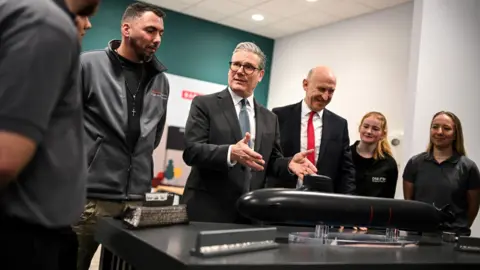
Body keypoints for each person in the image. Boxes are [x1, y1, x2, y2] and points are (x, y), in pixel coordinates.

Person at [0, 0, 100, 269]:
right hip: (23, 237)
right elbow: (5, 158)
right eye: (80, 16)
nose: (88, 24)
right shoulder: (45, 23)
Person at [73, 2, 169, 269]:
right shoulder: (87, 65)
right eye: (150, 30)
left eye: (161, 33)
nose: (157, 39)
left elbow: (154, 136)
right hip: (88, 199)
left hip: (136, 202)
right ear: (126, 28)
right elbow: (62, 128)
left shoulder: (160, 80)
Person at [181, 42, 317, 224]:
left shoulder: (270, 118)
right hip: (207, 212)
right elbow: (192, 151)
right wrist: (230, 153)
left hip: (250, 214)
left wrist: (288, 164)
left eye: (248, 67)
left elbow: (271, 161)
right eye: (236, 64)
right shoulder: (204, 105)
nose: (239, 71)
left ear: (260, 75)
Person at [271, 66, 356, 194]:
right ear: (305, 84)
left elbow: (346, 170)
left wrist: (348, 205)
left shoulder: (339, 125)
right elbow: (270, 159)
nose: (325, 97)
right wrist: (288, 164)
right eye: (321, 89)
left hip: (321, 202)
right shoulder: (278, 116)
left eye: (331, 91)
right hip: (283, 197)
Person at [403, 111, 480, 236]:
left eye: (446, 128)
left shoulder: (468, 167)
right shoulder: (415, 163)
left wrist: (456, 228)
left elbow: (472, 210)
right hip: (419, 235)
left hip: (453, 237)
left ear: (455, 134)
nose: (439, 132)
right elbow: (409, 202)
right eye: (435, 127)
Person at [351, 112, 398, 198]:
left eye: (375, 129)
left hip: (374, 211)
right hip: (345, 209)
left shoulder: (388, 163)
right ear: (359, 128)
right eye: (365, 126)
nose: (369, 131)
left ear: (383, 134)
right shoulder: (345, 155)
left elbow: (389, 199)